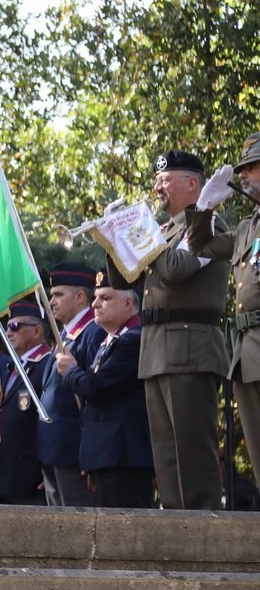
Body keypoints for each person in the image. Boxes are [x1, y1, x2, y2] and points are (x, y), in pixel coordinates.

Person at [107, 149, 229, 510]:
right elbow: (123, 279)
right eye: (157, 180)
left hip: (190, 348)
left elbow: (177, 267)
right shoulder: (165, 230)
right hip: (157, 349)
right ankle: (178, 542)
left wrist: (143, 236)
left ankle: (204, 546)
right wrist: (115, 236)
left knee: (193, 460)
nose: (157, 187)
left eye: (165, 180)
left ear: (192, 184)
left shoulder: (208, 226)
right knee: (168, 461)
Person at [187, 132, 260, 488]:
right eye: (242, 168)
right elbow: (199, 246)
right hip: (247, 352)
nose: (242, 175)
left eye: (251, 167)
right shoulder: (247, 229)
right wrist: (203, 209)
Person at [56, 279, 154, 508]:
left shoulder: (133, 338)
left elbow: (95, 387)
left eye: (106, 298)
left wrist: (70, 371)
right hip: (107, 457)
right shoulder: (112, 339)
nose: (95, 305)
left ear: (128, 302)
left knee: (125, 534)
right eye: (96, 298)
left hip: (124, 458)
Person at [37, 262, 106, 507]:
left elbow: (93, 393)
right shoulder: (66, 334)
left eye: (58, 295)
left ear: (79, 297)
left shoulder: (92, 332)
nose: (51, 301)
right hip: (55, 451)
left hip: (74, 453)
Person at [0, 299, 51, 505]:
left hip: (32, 480)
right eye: (7, 327)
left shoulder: (46, 365)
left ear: (36, 331)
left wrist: (49, 468)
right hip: (5, 477)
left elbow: (51, 421)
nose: (8, 333)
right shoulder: (13, 368)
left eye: (15, 327)